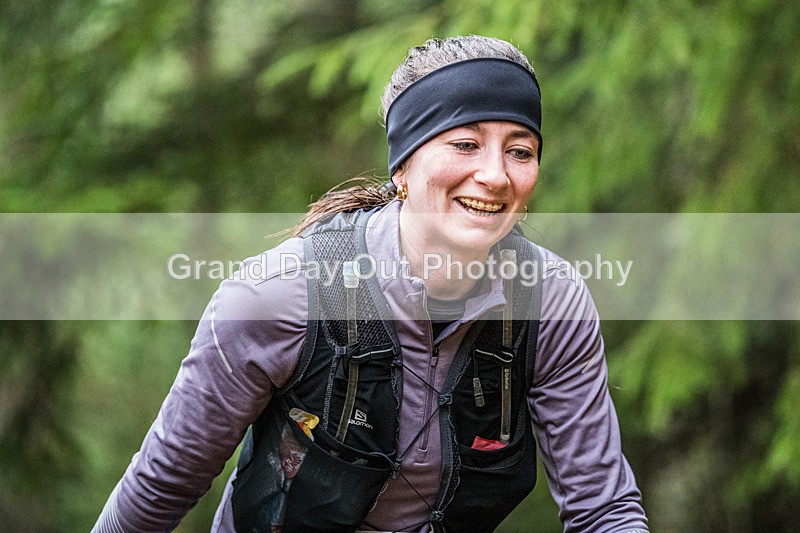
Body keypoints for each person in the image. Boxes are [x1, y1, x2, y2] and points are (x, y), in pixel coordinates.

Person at [92, 35, 648, 532]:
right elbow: (158, 493)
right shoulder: (279, 296)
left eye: (520, 151)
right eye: (465, 144)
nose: (497, 174)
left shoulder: (551, 301)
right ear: (402, 168)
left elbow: (603, 510)